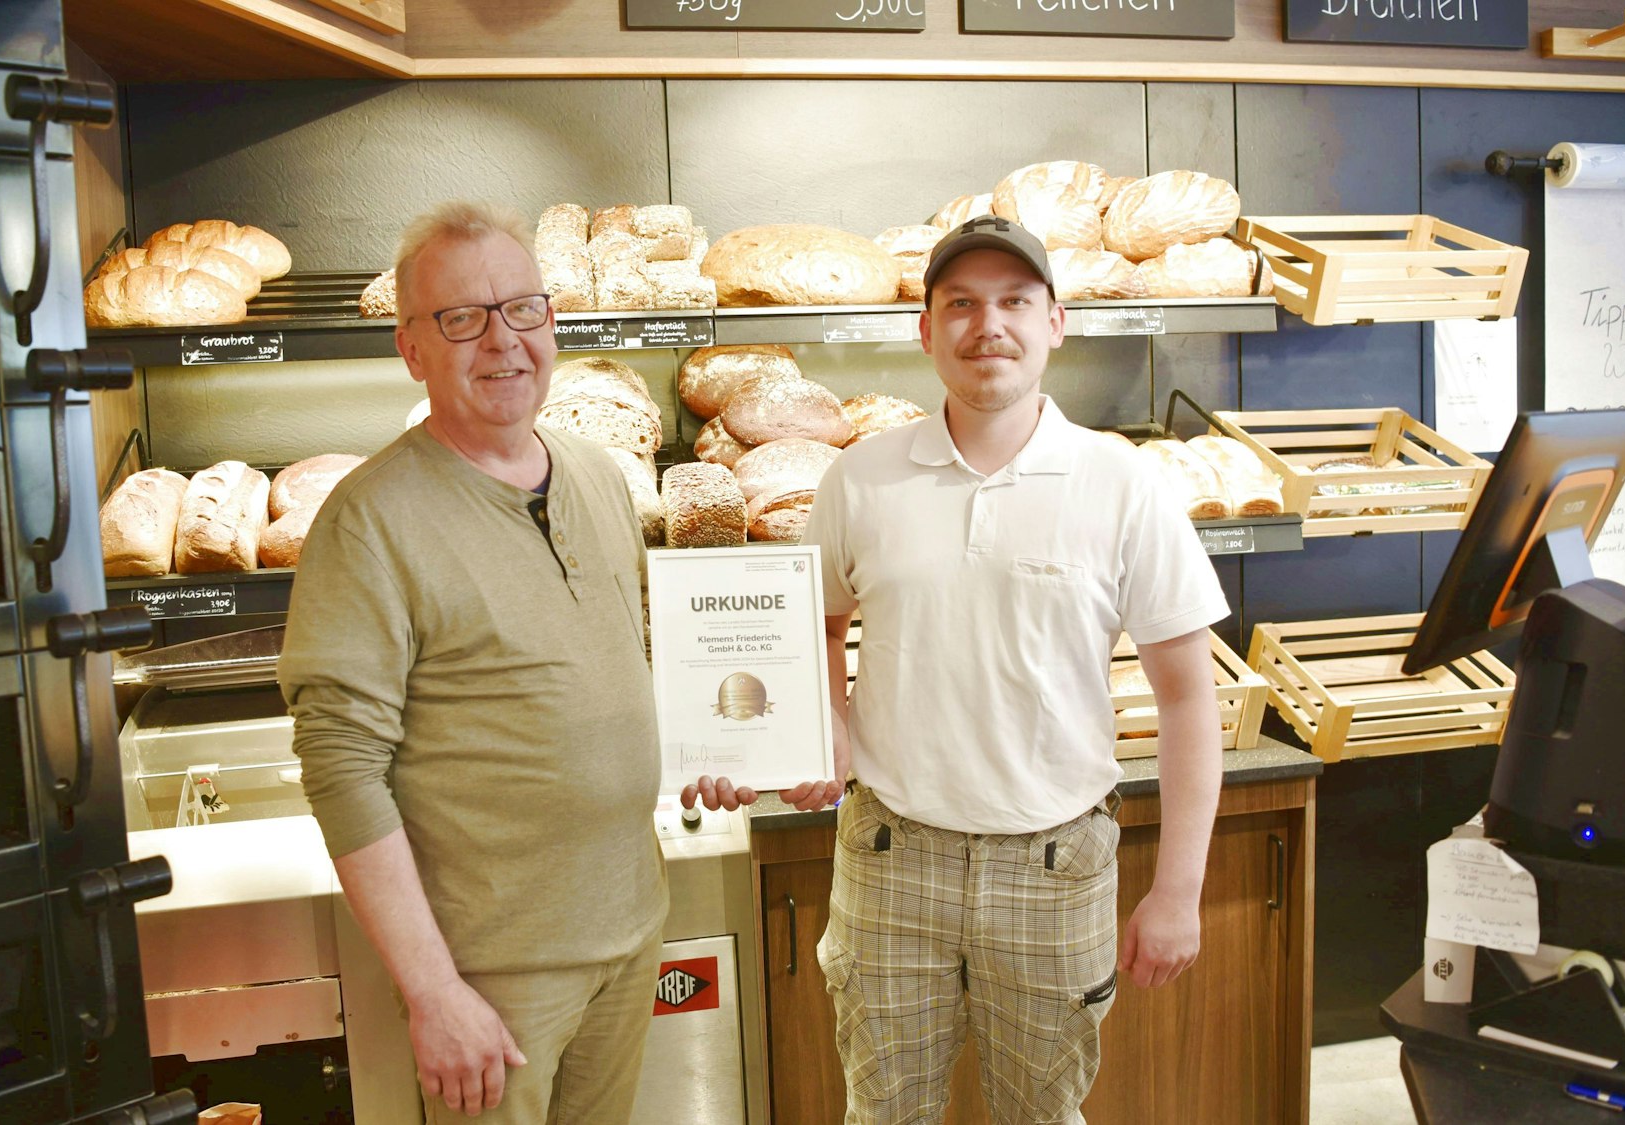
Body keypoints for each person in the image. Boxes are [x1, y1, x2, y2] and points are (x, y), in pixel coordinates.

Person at [277, 201, 751, 1123]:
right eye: (461, 317)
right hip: (492, 978)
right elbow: (340, 767)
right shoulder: (368, 519)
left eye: (521, 308)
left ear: (553, 322)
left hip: (628, 933)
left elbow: (619, 667)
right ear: (412, 348)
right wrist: (433, 992)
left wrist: (707, 747)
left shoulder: (598, 476)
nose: (501, 340)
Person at [788, 214, 1230, 1124]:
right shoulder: (860, 478)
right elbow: (817, 622)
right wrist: (826, 719)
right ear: (926, 330)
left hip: (1056, 864)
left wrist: (1180, 889)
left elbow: (1190, 698)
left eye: (1015, 302)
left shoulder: (1125, 485)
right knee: (882, 1116)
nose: (988, 325)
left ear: (1055, 323)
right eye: (961, 304)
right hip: (888, 855)